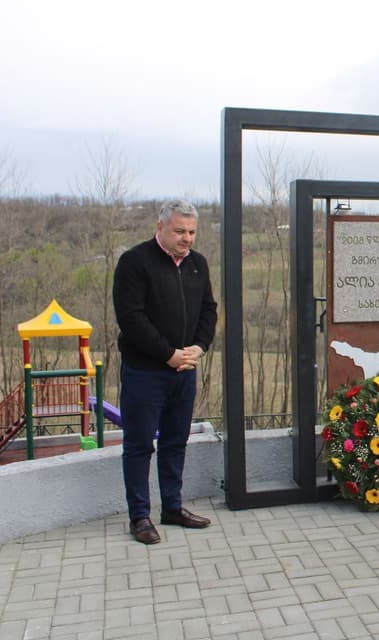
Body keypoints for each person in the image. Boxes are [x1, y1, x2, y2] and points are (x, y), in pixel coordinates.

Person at [113, 200, 218, 545]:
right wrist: (168, 354)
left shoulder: (197, 265)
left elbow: (208, 311)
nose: (187, 238)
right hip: (145, 373)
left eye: (191, 232)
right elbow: (131, 319)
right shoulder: (134, 262)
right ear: (160, 228)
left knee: (176, 441)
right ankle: (140, 516)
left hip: (184, 371)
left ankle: (172, 507)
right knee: (140, 445)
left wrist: (199, 347)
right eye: (180, 231)